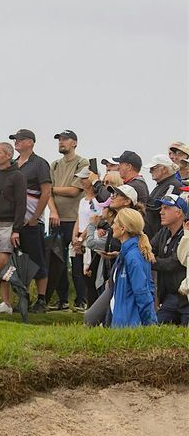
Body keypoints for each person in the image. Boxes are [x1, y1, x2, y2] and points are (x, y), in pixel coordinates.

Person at [46, 130, 90, 310]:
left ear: (74, 143)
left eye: (65, 139)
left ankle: (81, 299)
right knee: (57, 262)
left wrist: (52, 189)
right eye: (59, 140)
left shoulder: (82, 163)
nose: (61, 142)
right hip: (56, 218)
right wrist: (53, 211)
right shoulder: (55, 165)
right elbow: (46, 193)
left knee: (77, 261)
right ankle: (62, 299)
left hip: (75, 219)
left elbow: (74, 190)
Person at [10, 128, 52, 310]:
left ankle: (41, 299)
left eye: (20, 139)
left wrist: (35, 217)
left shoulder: (39, 163)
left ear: (30, 142)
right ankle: (23, 297)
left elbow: (46, 192)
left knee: (37, 259)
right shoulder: (12, 164)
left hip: (32, 221)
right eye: (15, 139)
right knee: (19, 262)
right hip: (15, 222)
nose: (16, 142)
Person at [0, 143, 27, 313]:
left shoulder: (17, 176)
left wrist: (16, 229)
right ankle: (6, 303)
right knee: (1, 265)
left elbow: (21, 204)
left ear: (8, 155)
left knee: (3, 260)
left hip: (8, 224)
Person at [108, 208, 157, 328]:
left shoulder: (132, 256)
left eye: (115, 223)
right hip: (123, 323)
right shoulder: (127, 253)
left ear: (123, 228)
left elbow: (142, 292)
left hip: (130, 325)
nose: (112, 226)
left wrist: (150, 325)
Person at [71, 168, 105, 309]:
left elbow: (94, 220)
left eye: (85, 178)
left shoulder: (98, 201)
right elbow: (79, 219)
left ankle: (93, 306)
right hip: (80, 238)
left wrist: (81, 238)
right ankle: (84, 301)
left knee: (89, 273)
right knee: (78, 272)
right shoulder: (82, 201)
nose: (82, 181)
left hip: (90, 238)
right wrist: (74, 236)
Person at [151, 194, 188, 325]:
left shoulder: (187, 234)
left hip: (186, 297)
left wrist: (151, 260)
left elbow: (174, 263)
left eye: (166, 208)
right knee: (155, 328)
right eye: (161, 208)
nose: (161, 212)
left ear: (178, 213)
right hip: (170, 297)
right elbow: (148, 249)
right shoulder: (163, 232)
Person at [146, 155, 179, 237]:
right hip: (153, 233)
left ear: (164, 169)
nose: (150, 171)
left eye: (152, 168)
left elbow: (159, 206)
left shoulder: (172, 185)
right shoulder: (161, 185)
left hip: (158, 234)